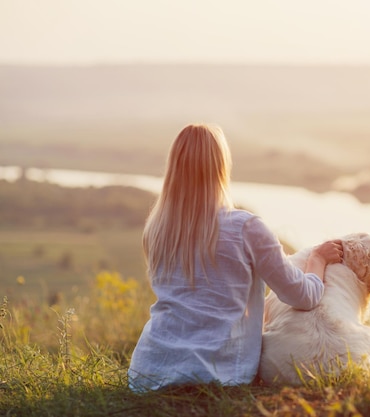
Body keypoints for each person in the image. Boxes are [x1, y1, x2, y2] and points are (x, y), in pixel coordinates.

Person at [127, 123, 343, 392]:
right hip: (219, 371)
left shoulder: (157, 228)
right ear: (221, 168)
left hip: (148, 371)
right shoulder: (245, 227)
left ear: (174, 168)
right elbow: (302, 296)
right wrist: (318, 260)